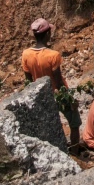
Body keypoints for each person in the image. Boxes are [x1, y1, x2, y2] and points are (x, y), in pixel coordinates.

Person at [22, 18, 81, 146]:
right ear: (48, 34)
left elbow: (28, 81)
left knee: (51, 126)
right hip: (58, 95)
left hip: (41, 97)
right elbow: (58, 82)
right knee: (74, 122)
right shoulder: (52, 55)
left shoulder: (26, 54)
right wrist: (70, 100)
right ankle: (75, 149)